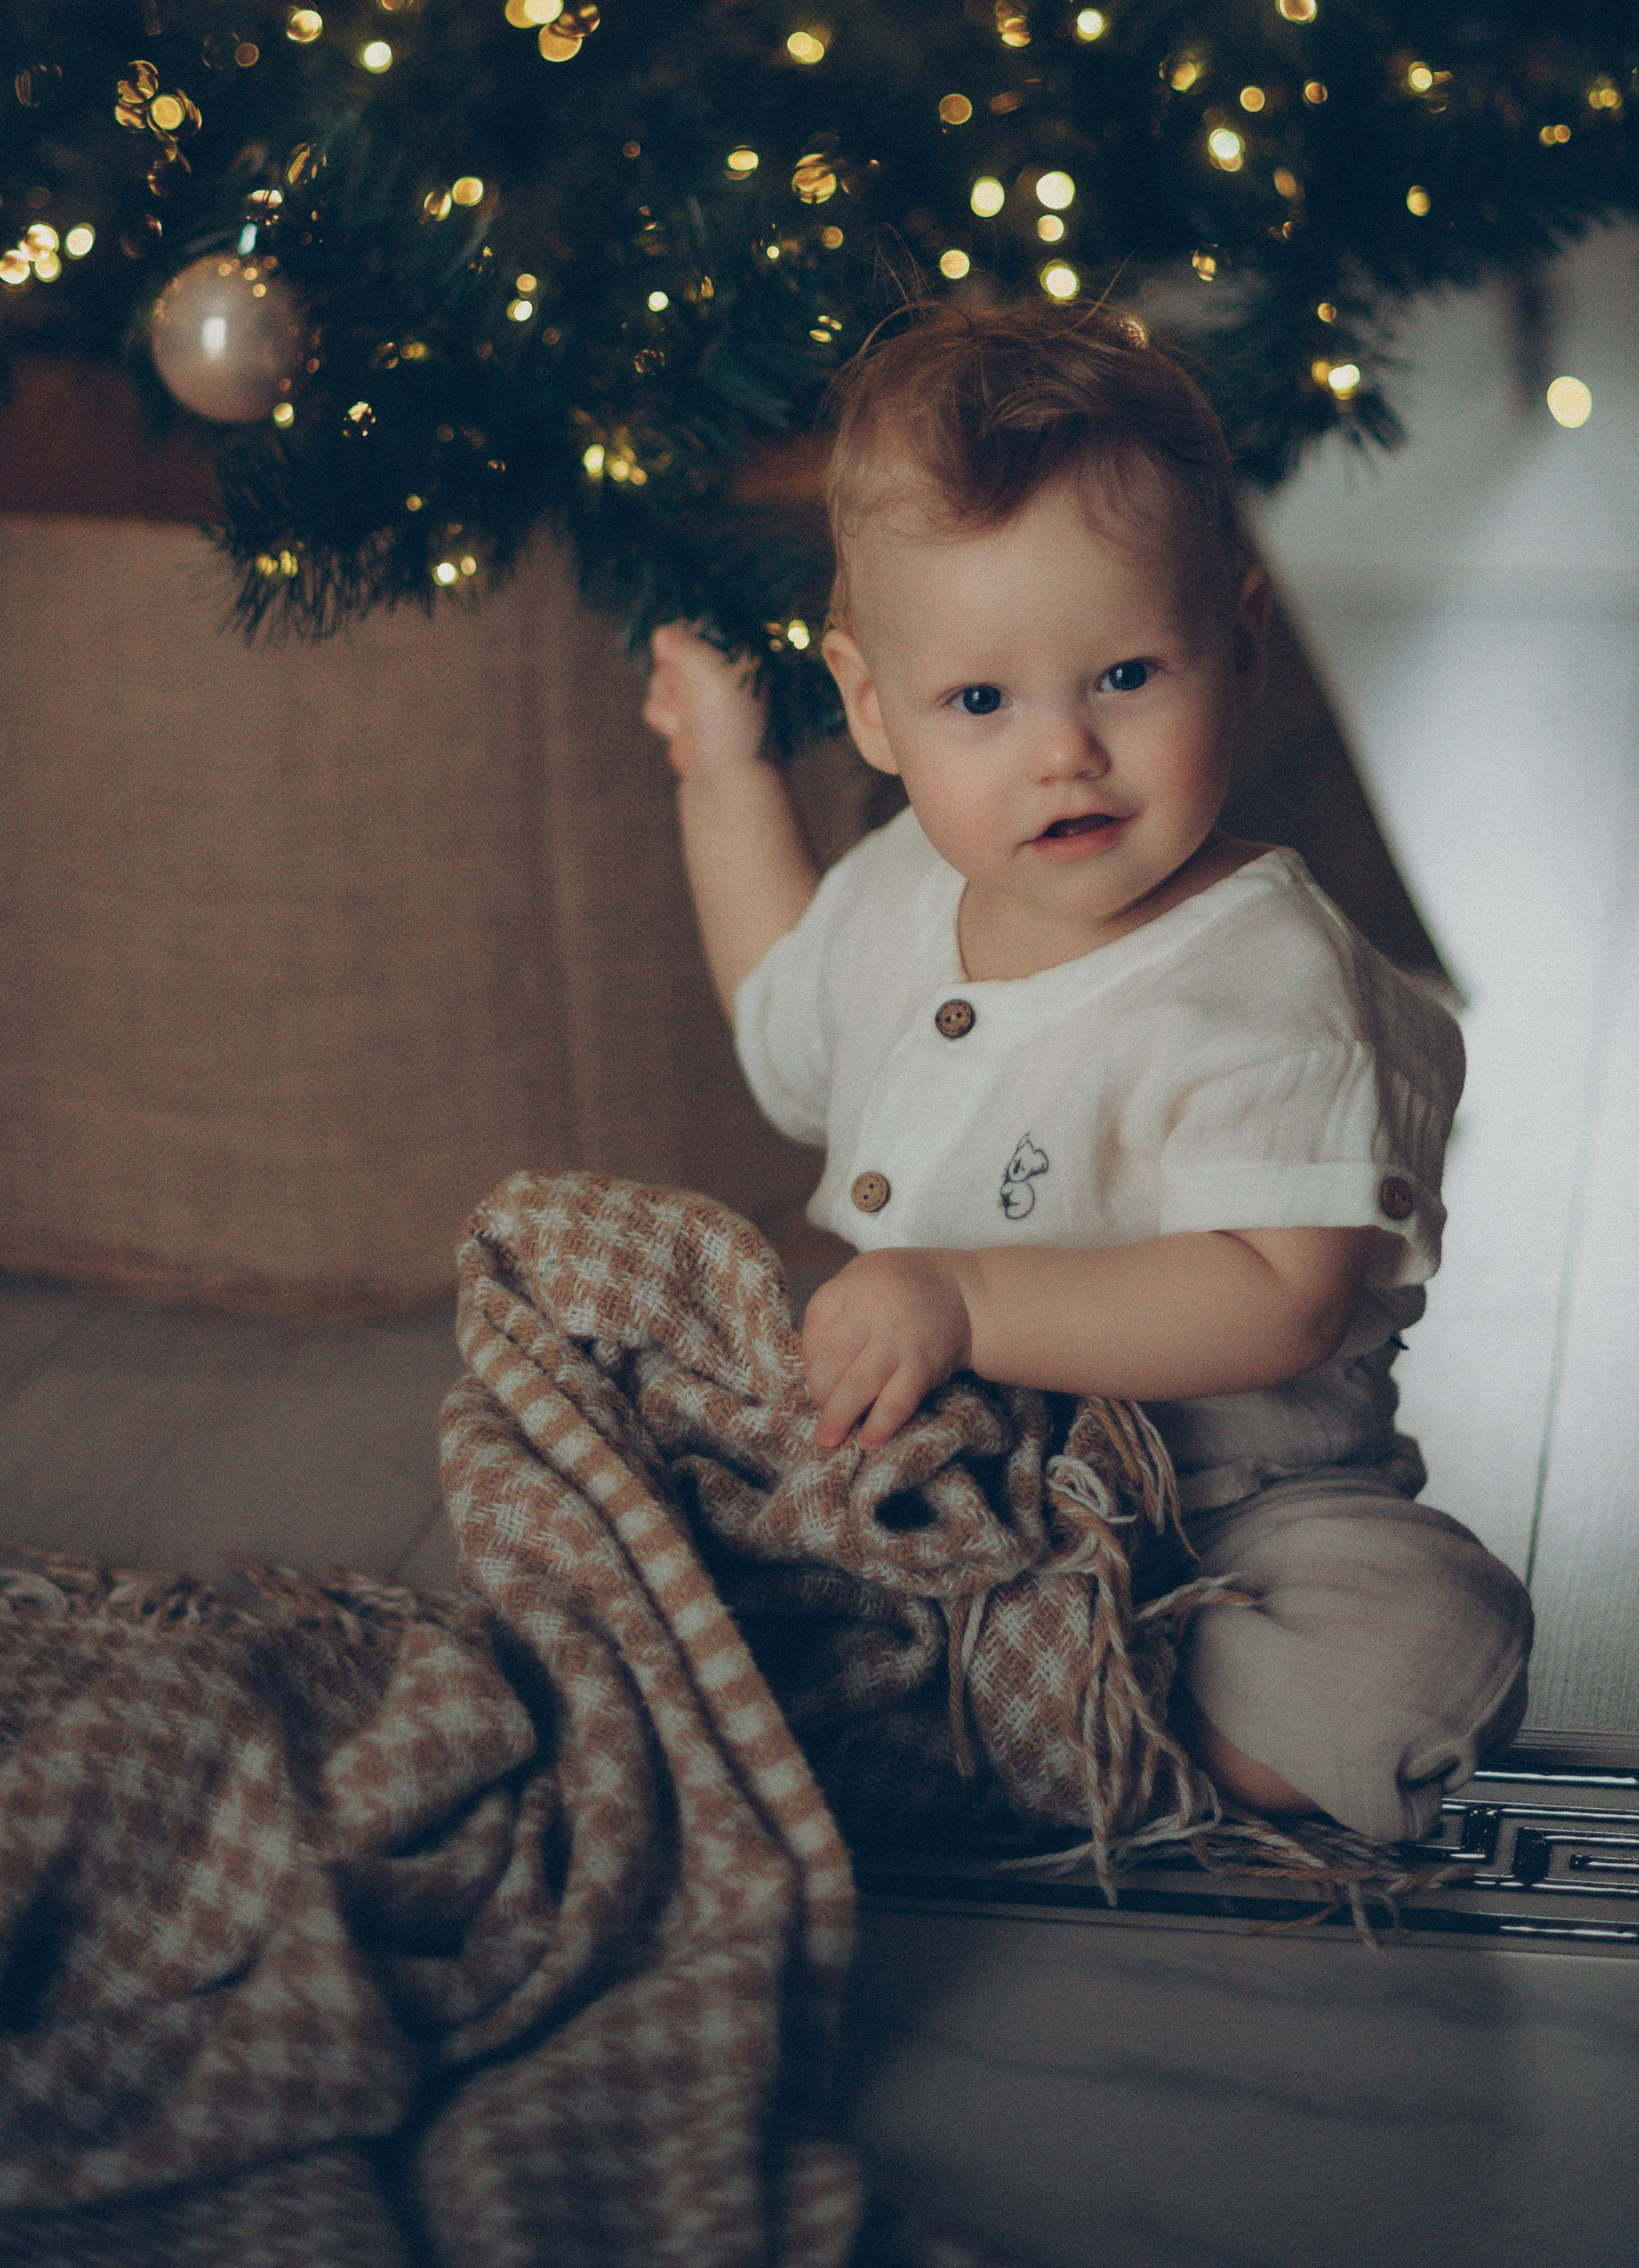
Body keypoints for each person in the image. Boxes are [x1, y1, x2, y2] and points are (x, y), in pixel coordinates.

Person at [641, 295, 1530, 1846]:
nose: (1061, 750)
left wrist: (968, 1297)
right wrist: (722, 775)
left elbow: (1279, 1293)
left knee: (1422, 1635)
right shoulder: (893, 898)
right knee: (686, 1491)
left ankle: (1078, 1698)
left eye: (1123, 675)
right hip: (952, 1469)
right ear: (870, 708)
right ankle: (972, 1668)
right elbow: (782, 1010)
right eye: (980, 702)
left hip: (1236, 1514)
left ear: (1235, 644)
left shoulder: (1272, 980)